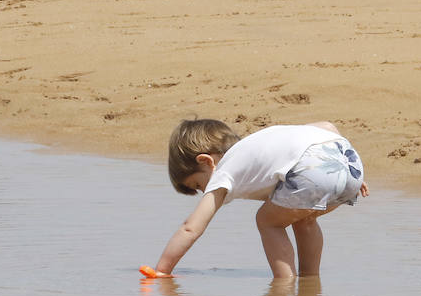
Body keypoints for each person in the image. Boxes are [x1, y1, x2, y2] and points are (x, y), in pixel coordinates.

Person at [145, 119, 368, 279]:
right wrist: (346, 172)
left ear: (206, 161)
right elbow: (327, 126)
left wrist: (162, 269)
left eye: (198, 185)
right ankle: (311, 280)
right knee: (304, 218)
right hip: (348, 162)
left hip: (311, 171)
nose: (205, 191)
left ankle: (284, 284)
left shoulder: (224, 170)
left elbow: (190, 229)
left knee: (268, 221)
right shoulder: (259, 143)